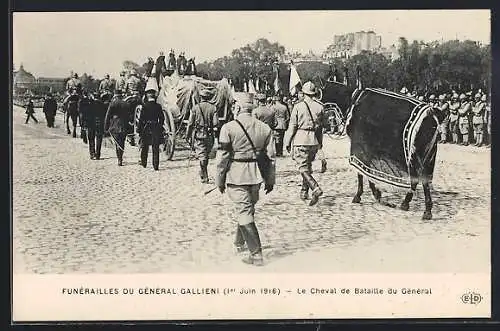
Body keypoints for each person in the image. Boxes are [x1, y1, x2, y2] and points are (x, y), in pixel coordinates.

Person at [216, 93, 275, 266]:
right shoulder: (265, 128)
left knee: (245, 212)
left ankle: (256, 254)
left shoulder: (228, 128)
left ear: (238, 107)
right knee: (247, 209)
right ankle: (239, 243)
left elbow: (222, 158)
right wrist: (270, 180)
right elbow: (271, 157)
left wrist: (219, 180)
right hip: (256, 176)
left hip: (237, 176)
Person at [284, 81, 325, 206]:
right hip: (313, 140)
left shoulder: (298, 106)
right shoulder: (320, 106)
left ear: (303, 93)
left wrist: (288, 141)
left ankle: (315, 187)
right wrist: (320, 143)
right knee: (307, 166)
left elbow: (292, 126)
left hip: (301, 139)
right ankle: (304, 191)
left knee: (302, 167)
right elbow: (321, 128)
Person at [186, 90, 219, 183]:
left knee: (202, 156)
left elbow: (190, 123)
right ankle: (204, 174)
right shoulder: (213, 108)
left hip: (198, 135)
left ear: (201, 97)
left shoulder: (195, 108)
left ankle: (204, 174)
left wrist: (187, 135)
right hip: (209, 135)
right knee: (206, 155)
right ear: (209, 98)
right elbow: (216, 123)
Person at [138, 82, 165, 171]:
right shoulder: (158, 106)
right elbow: (162, 118)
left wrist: (139, 130)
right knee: (155, 147)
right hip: (155, 127)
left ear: (147, 96)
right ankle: (155, 165)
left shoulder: (144, 106)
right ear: (154, 96)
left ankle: (144, 162)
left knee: (145, 146)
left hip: (146, 127)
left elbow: (141, 119)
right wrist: (160, 126)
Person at [104, 90, 130, 166]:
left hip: (114, 125)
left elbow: (108, 116)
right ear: (121, 96)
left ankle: (119, 159)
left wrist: (106, 127)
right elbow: (129, 115)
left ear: (115, 96)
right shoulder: (126, 104)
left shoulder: (112, 104)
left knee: (117, 143)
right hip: (124, 124)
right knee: (122, 142)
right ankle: (120, 158)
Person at [86, 92, 107, 160]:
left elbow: (86, 114)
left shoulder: (89, 104)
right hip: (99, 123)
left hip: (91, 124)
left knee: (91, 138)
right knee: (99, 139)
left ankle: (92, 153)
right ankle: (98, 154)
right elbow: (105, 115)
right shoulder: (102, 104)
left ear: (93, 97)